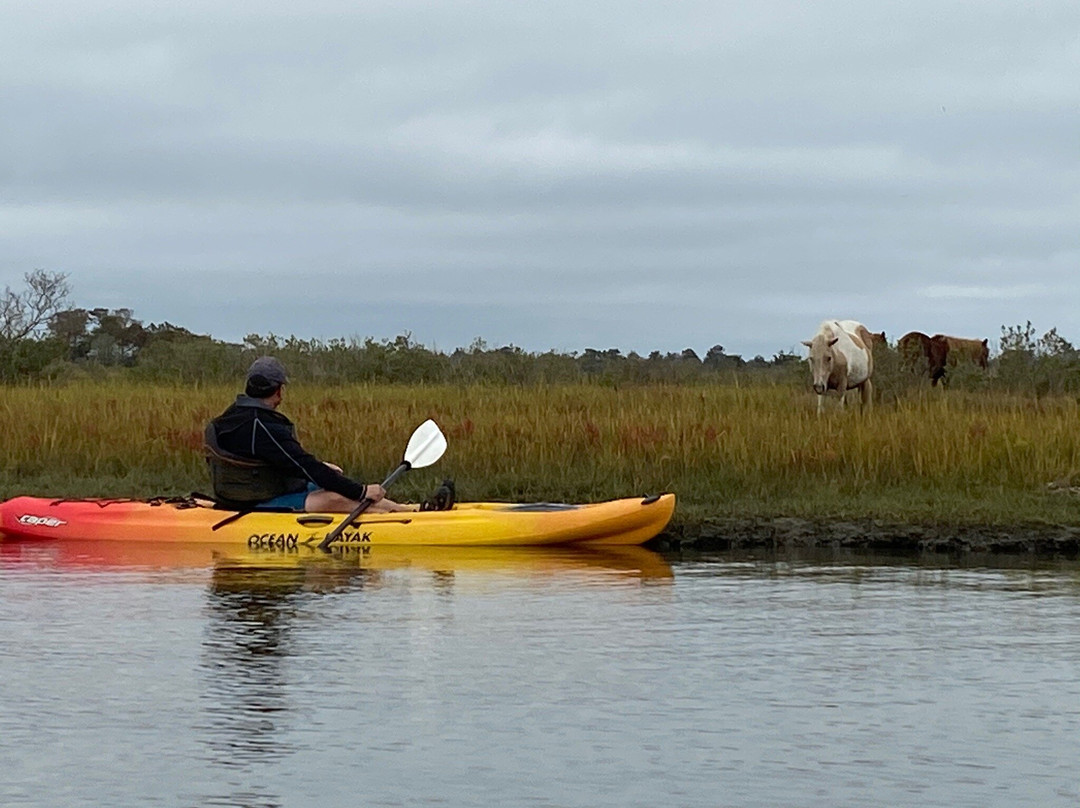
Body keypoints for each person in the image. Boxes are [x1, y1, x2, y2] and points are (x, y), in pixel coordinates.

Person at [205, 357, 453, 513]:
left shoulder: (230, 417)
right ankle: (399, 516)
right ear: (279, 390)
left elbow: (272, 460)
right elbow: (304, 465)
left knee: (333, 480)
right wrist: (361, 491)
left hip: (251, 493)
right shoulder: (263, 426)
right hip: (256, 502)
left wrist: (325, 471)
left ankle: (411, 511)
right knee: (335, 497)